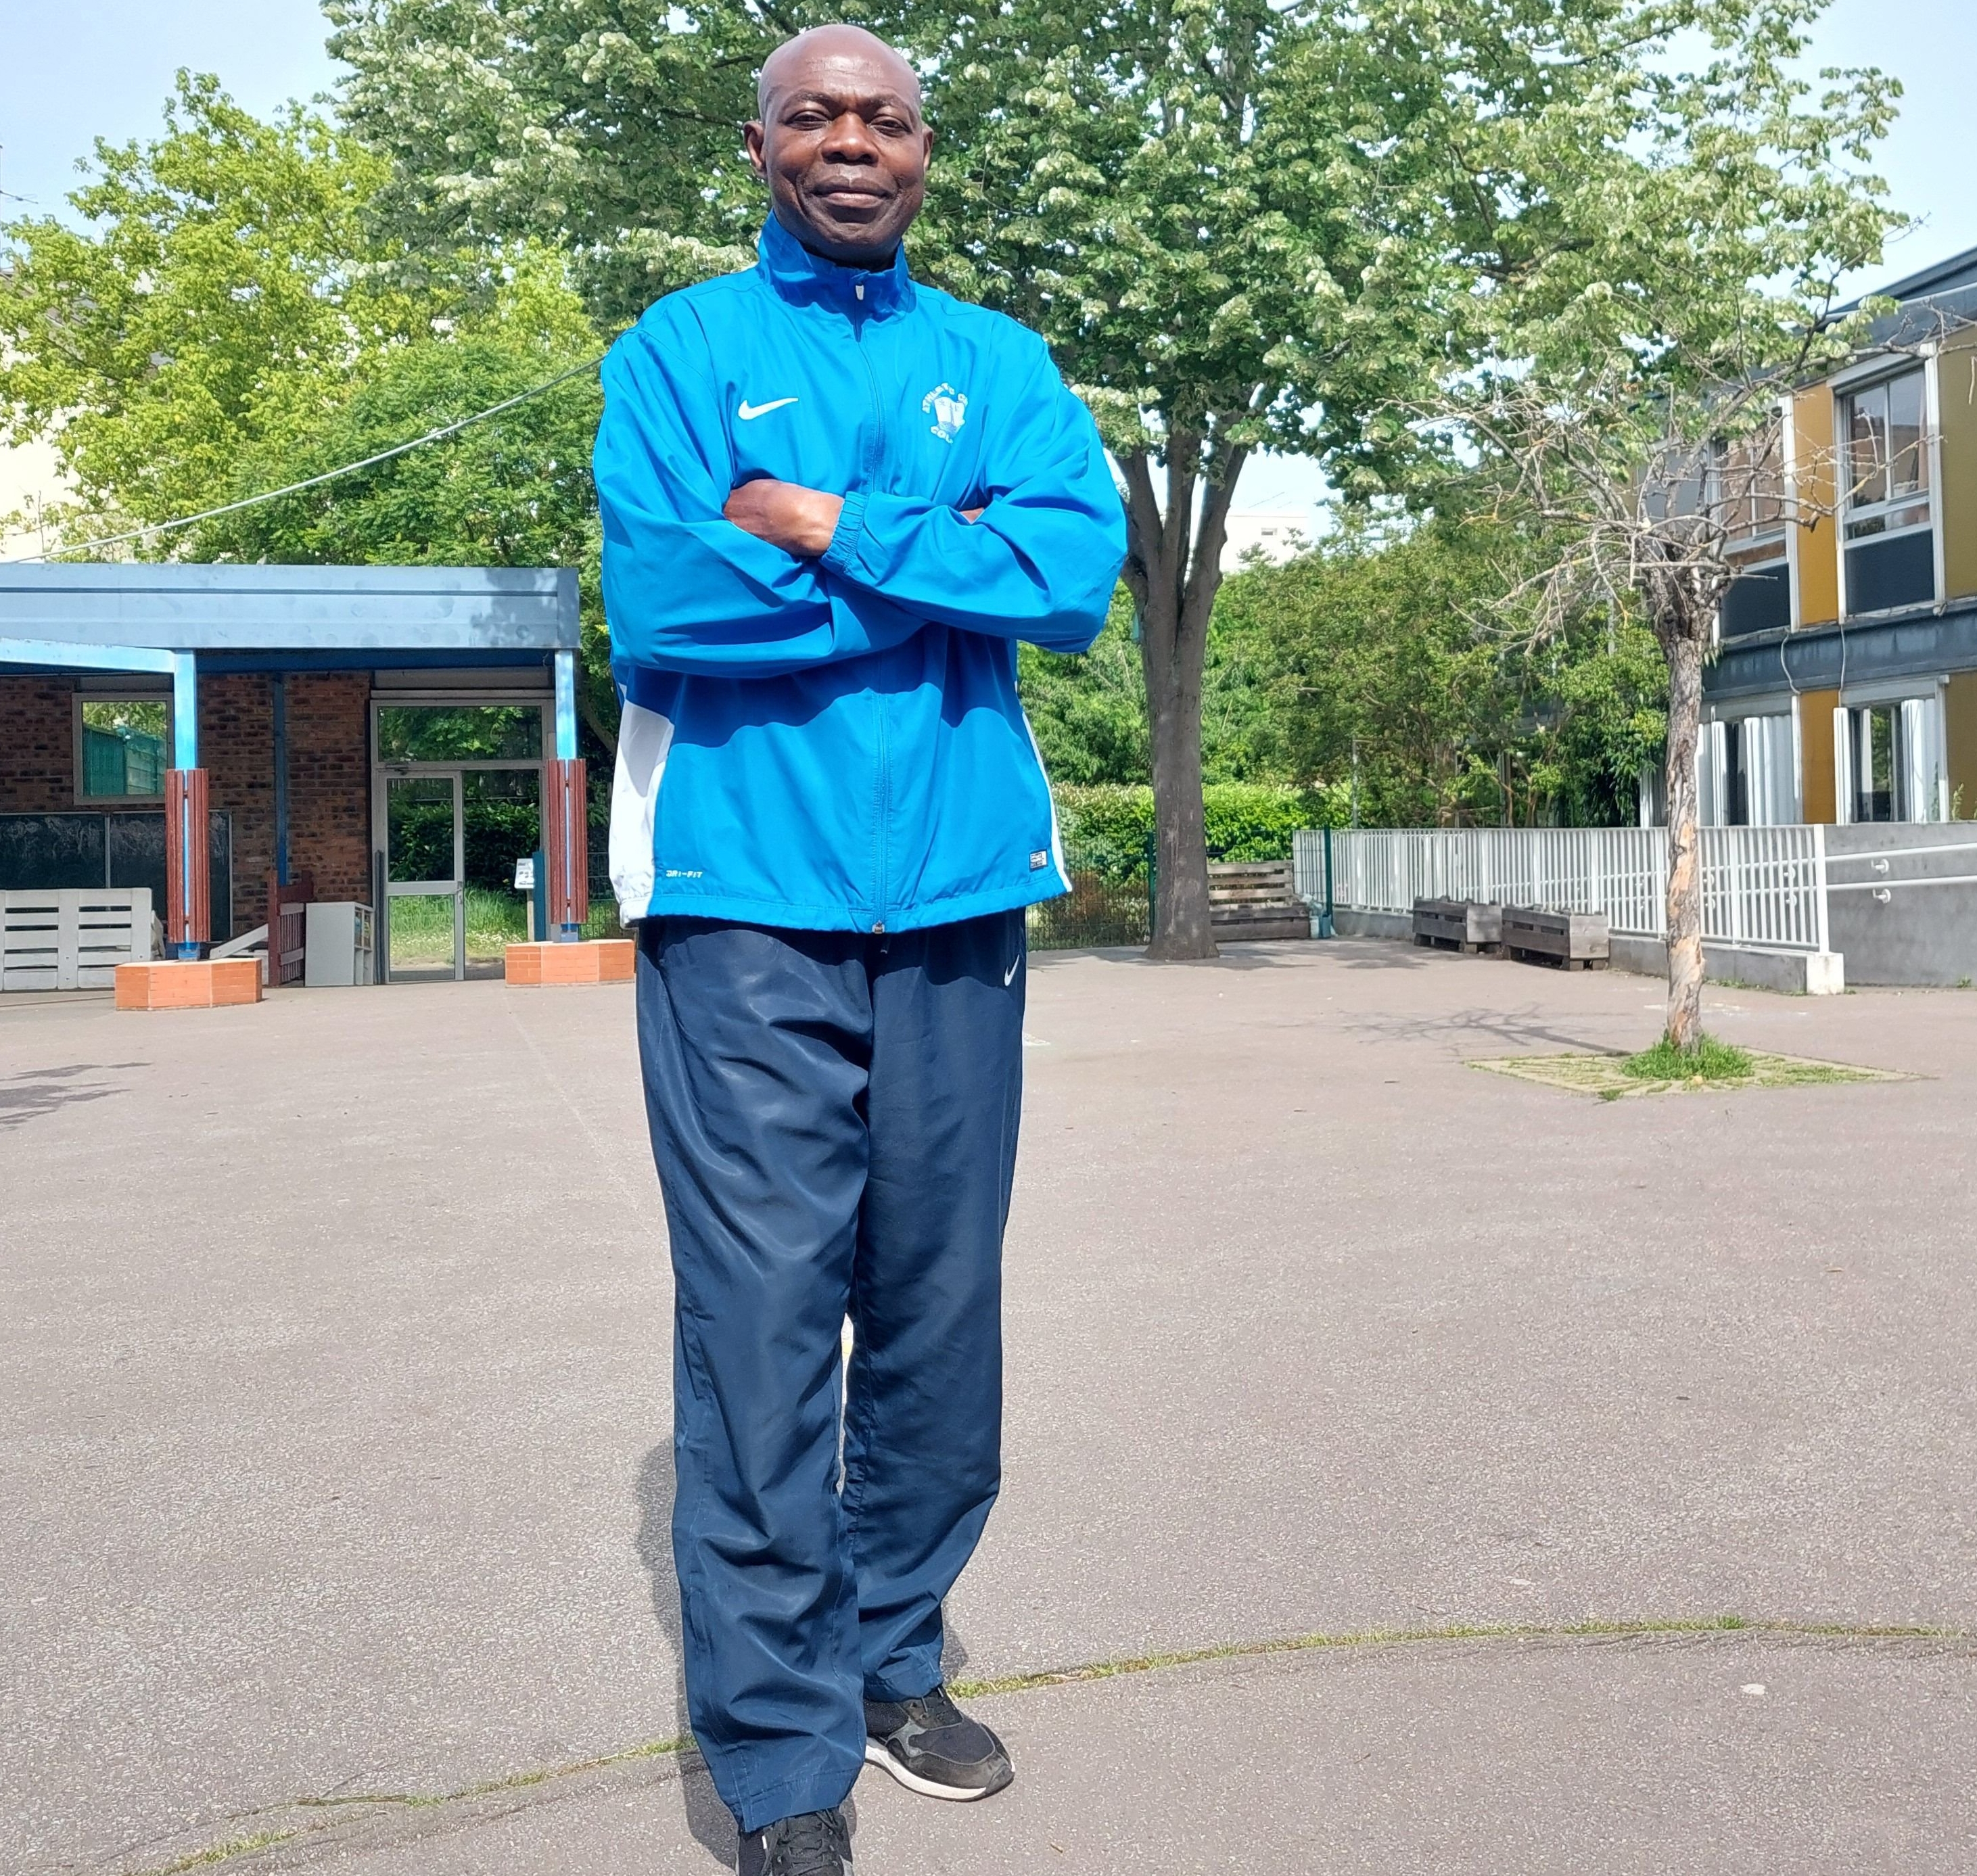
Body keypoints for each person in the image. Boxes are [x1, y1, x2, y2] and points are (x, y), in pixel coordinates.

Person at [592, 24, 1129, 1876]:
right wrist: (937, 563)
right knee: (758, 1329)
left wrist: (826, 527)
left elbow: (1068, 577)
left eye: (883, 118)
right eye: (815, 114)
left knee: (934, 1311)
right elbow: (664, 603)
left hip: (960, 894)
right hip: (742, 903)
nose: (850, 141)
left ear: (921, 151)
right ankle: (778, 1753)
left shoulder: (999, 358)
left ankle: (891, 1651)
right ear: (759, 144)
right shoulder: (677, 352)